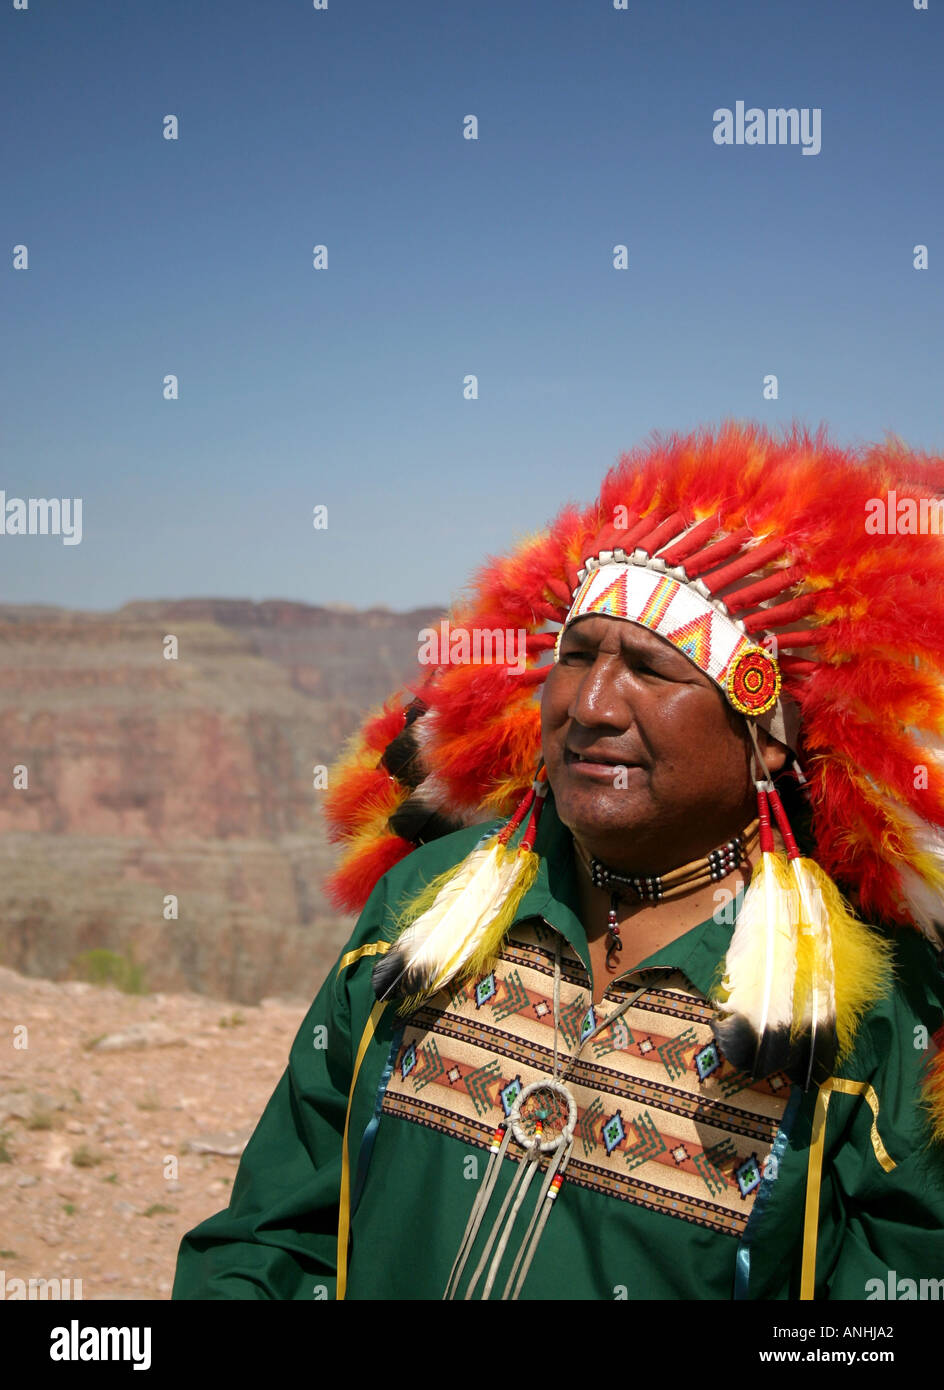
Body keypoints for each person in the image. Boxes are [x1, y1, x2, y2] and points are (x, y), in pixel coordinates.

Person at [172, 421, 944, 1301]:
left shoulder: (870, 1015)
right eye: (575, 658)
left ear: (765, 741)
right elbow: (276, 1234)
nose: (590, 704)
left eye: (653, 671)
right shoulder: (427, 905)